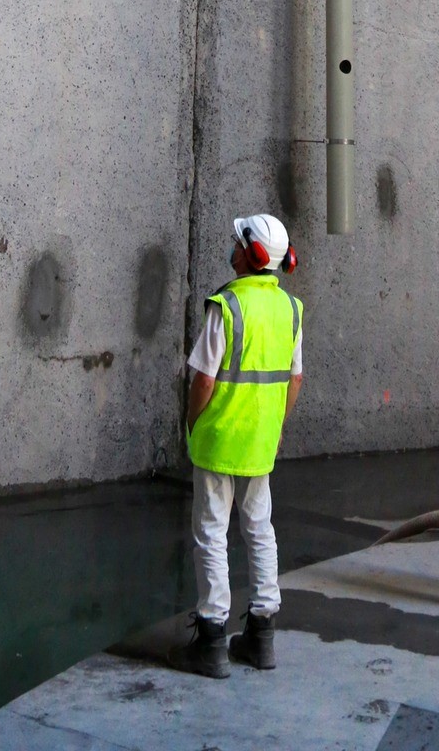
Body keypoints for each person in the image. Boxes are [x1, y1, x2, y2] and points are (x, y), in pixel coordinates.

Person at [179, 212, 303, 677]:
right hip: (259, 443)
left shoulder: (226, 306)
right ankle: (262, 634)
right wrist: (275, 425)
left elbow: (204, 379)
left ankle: (212, 638)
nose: (231, 248)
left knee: (211, 533)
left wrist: (193, 425)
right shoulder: (290, 310)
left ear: (251, 255)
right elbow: (295, 378)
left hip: (218, 441)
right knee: (260, 529)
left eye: (237, 243)